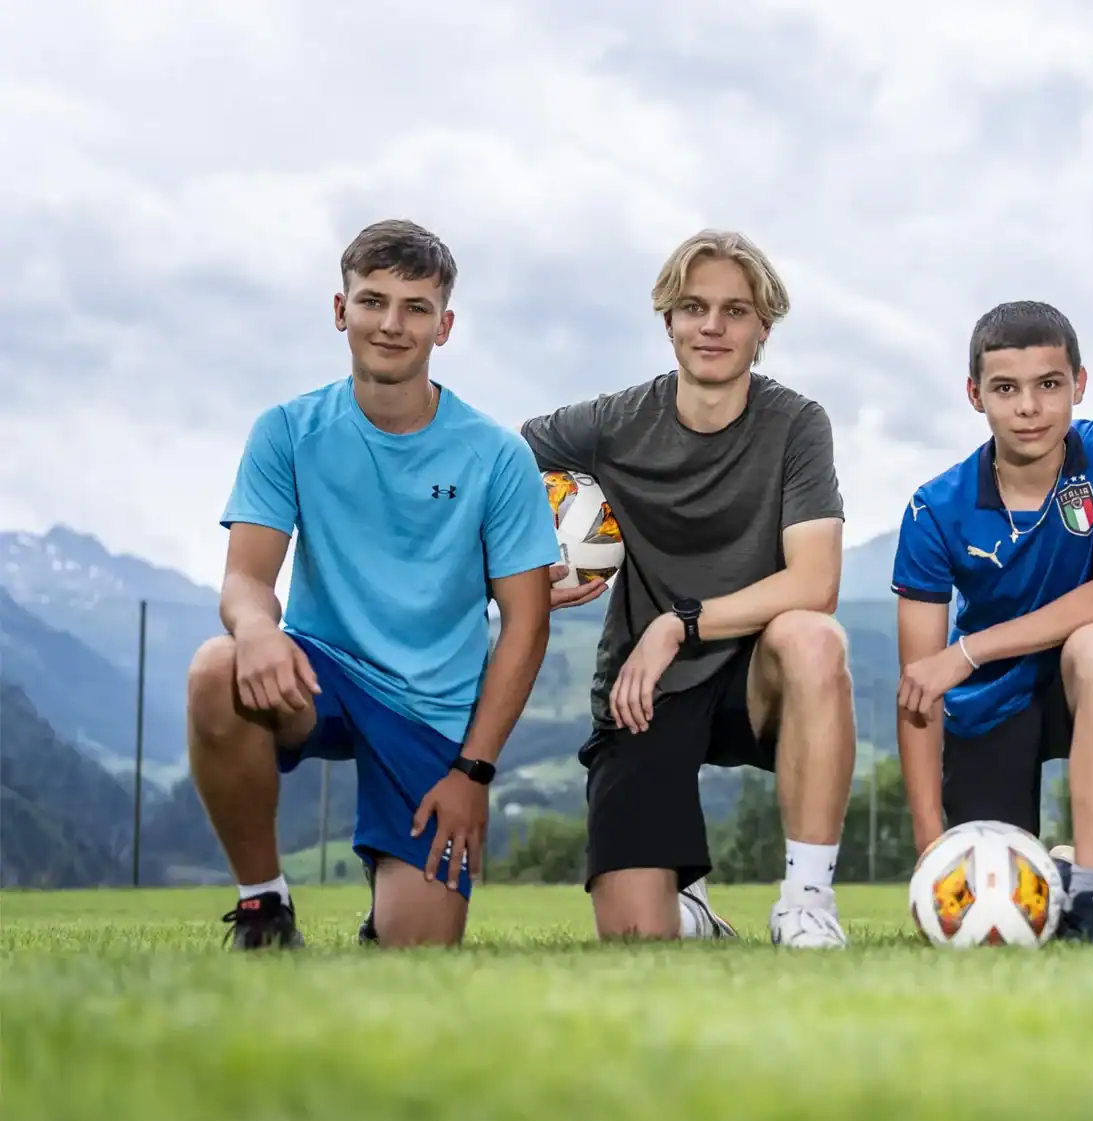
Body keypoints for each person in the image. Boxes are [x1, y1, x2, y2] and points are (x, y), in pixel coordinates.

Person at [188, 218, 561, 951]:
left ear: (443, 326)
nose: (391, 324)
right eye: (373, 301)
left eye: (415, 307)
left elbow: (526, 623)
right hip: (317, 673)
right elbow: (245, 581)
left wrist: (473, 773)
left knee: (414, 952)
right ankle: (265, 908)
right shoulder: (288, 430)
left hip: (431, 709)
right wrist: (259, 629)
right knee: (216, 667)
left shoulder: (496, 455)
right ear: (341, 310)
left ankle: (388, 904)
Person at [520, 229, 854, 949]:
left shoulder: (796, 424)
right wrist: (516, 572)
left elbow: (816, 581)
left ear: (764, 327)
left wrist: (678, 622)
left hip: (753, 675)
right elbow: (494, 460)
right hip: (647, 690)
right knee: (638, 933)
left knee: (813, 636)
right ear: (668, 319)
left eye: (735, 311)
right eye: (694, 307)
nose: (712, 326)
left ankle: (806, 901)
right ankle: (688, 905)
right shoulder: (614, 424)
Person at [891, 301, 1093, 944]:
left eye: (1048, 385)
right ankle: (1059, 868)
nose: (1029, 408)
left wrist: (968, 651)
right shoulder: (934, 508)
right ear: (974, 394)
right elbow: (919, 687)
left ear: (1079, 383)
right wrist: (930, 845)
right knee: (1000, 897)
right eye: (1005, 388)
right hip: (989, 702)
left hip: (1075, 677)